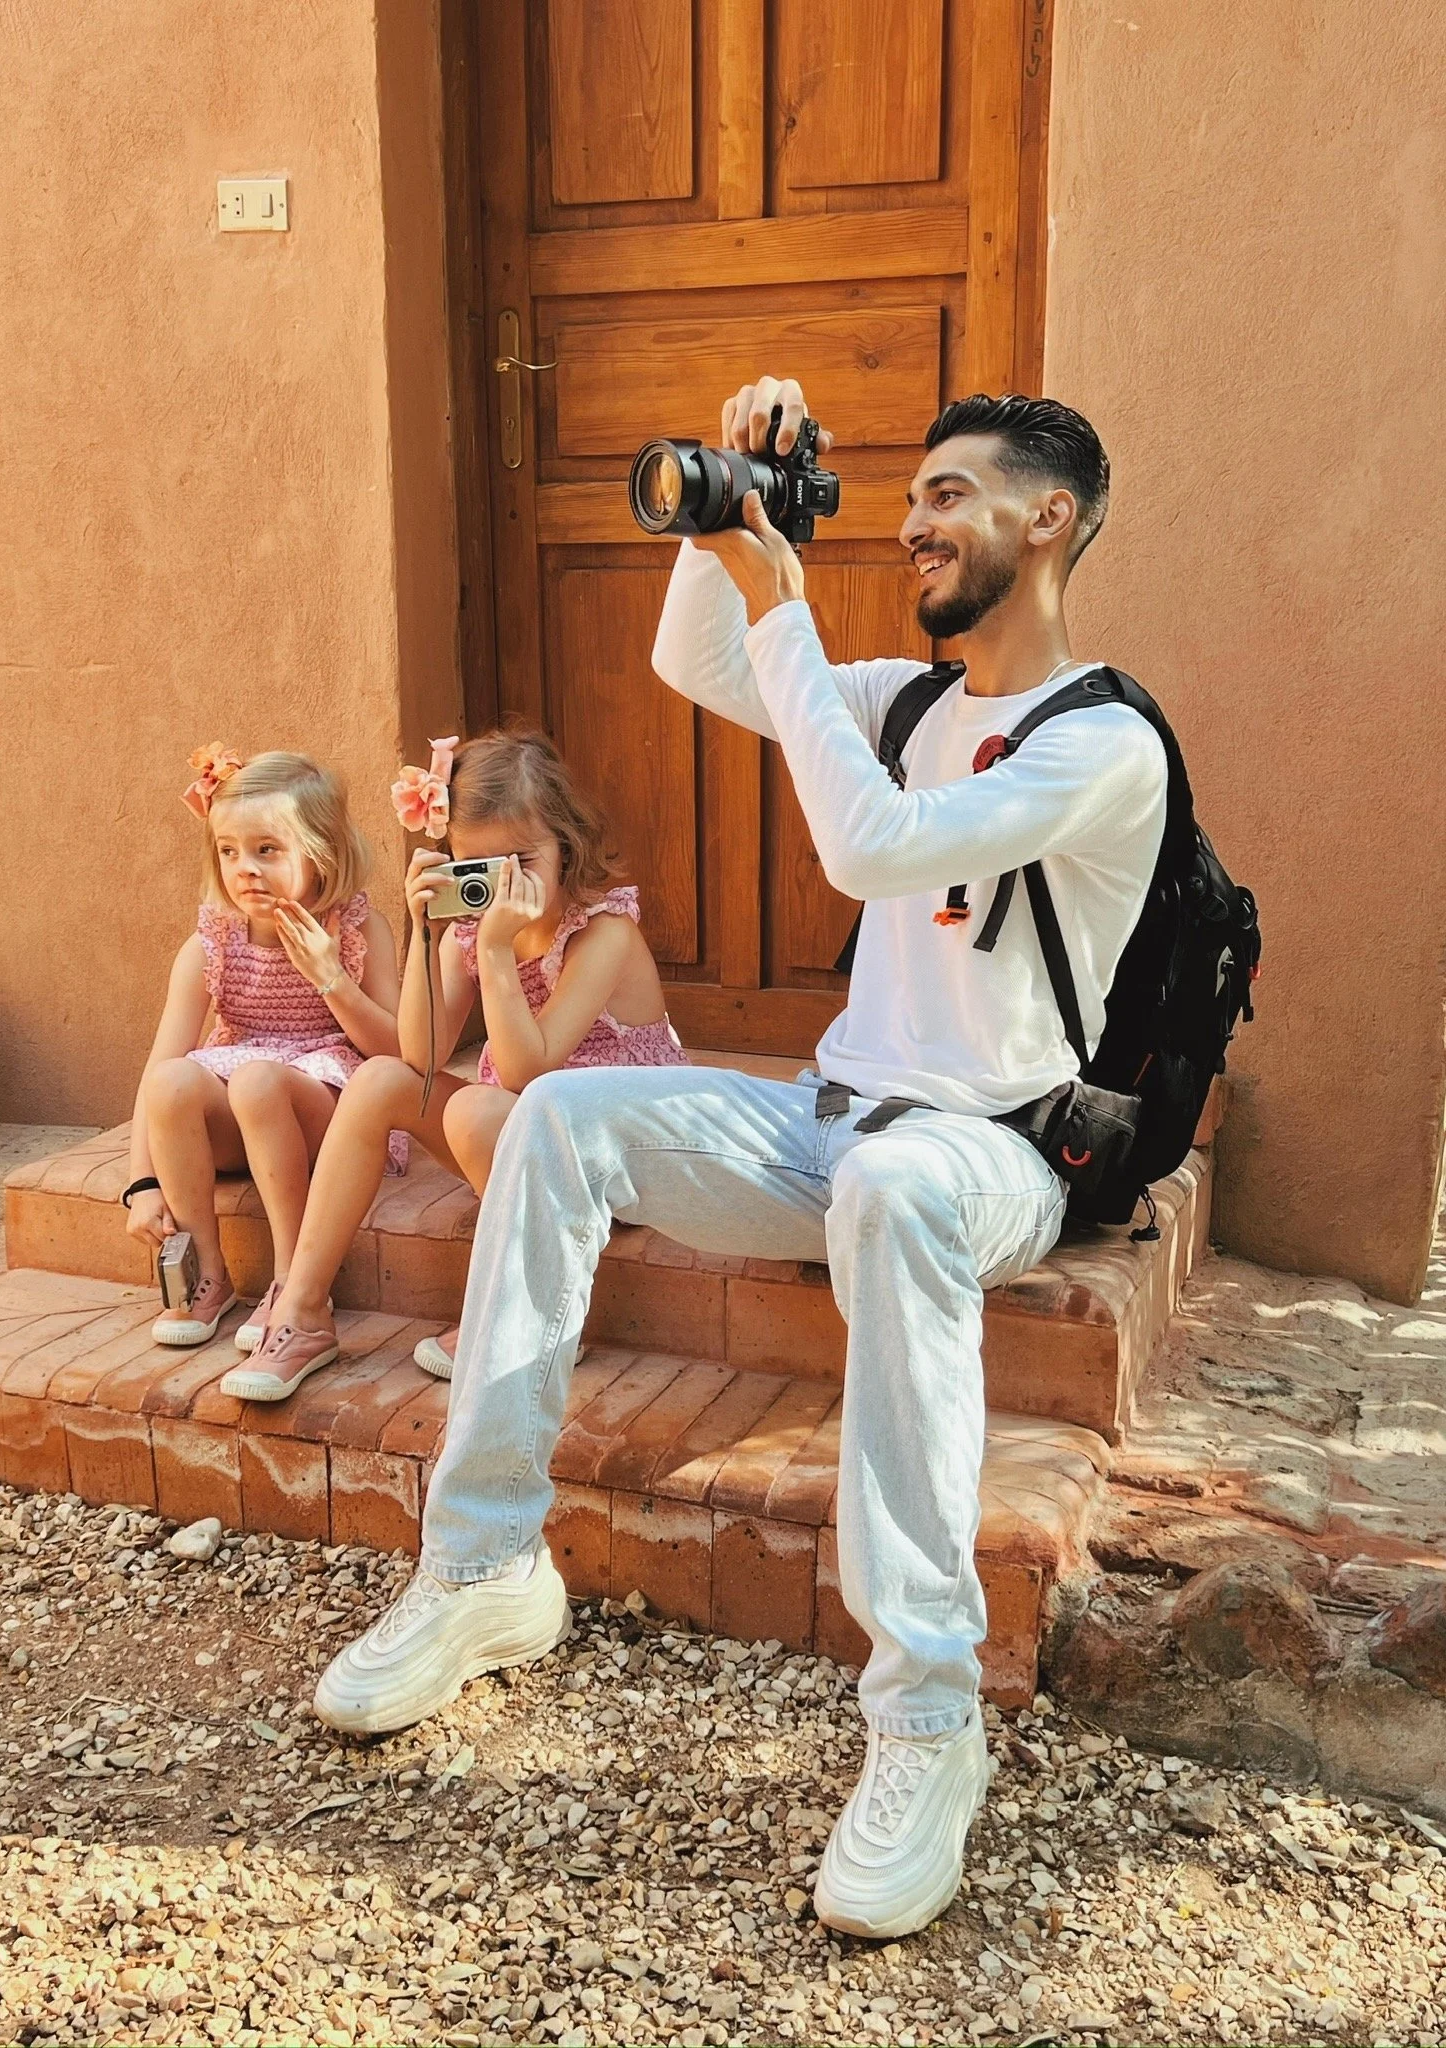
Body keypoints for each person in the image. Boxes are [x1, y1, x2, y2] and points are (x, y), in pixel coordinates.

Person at [309, 380, 1168, 1941]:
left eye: (951, 495)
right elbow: (694, 659)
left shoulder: (1104, 742)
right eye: (906, 494)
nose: (911, 522)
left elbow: (874, 849)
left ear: (1049, 521)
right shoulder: (906, 703)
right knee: (560, 1116)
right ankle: (485, 1564)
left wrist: (784, 602)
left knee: (900, 1191)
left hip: (987, 1150)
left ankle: (928, 1712)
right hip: (826, 1120)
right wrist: (730, 511)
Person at [237, 730, 688, 1400]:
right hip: (531, 1148)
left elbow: (525, 1075)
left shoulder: (606, 936)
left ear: (566, 845)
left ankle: (542, 1311)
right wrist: (427, 933)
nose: (502, 885)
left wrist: (499, 955)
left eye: (521, 860)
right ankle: (301, 1312)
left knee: (480, 1109)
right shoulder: (473, 934)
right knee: (382, 1079)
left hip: (621, 1158)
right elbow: (419, 1056)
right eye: (478, 867)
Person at [122, 748, 401, 1361]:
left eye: (267, 850)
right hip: (245, 1120)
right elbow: (158, 1065)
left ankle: (292, 1282)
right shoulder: (211, 944)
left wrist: (334, 980)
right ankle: (206, 1272)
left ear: (321, 849)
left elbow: (398, 1054)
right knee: (173, 1080)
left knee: (255, 1082)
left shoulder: (357, 931)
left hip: (324, 1116)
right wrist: (142, 1184)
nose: (243, 868)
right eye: (228, 851)